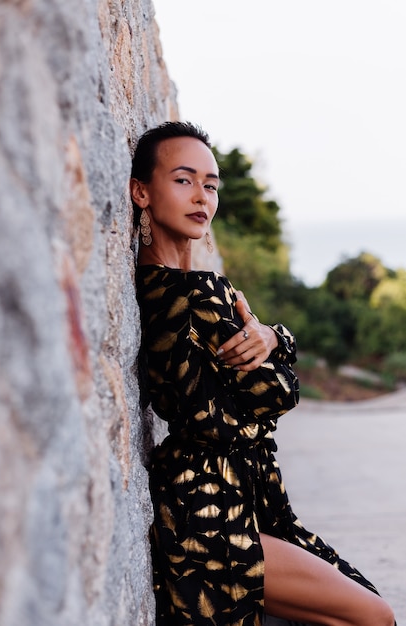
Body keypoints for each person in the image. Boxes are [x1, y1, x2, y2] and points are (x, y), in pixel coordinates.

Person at [132, 121, 395, 626]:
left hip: (213, 498)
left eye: (210, 184)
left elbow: (261, 375)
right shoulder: (201, 294)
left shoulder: (159, 288)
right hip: (210, 509)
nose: (201, 197)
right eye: (183, 180)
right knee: (371, 615)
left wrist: (274, 336)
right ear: (140, 191)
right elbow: (275, 392)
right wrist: (276, 341)